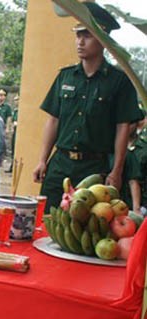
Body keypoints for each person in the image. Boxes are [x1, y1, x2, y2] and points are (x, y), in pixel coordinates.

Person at [32, 3, 143, 210]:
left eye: (87, 35)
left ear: (102, 39)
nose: (80, 42)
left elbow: (123, 128)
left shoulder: (119, 81)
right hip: (60, 164)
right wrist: (42, 160)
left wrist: (116, 171)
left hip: (95, 167)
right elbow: (53, 120)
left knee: (88, 229)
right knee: (47, 220)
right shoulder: (65, 77)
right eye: (78, 35)